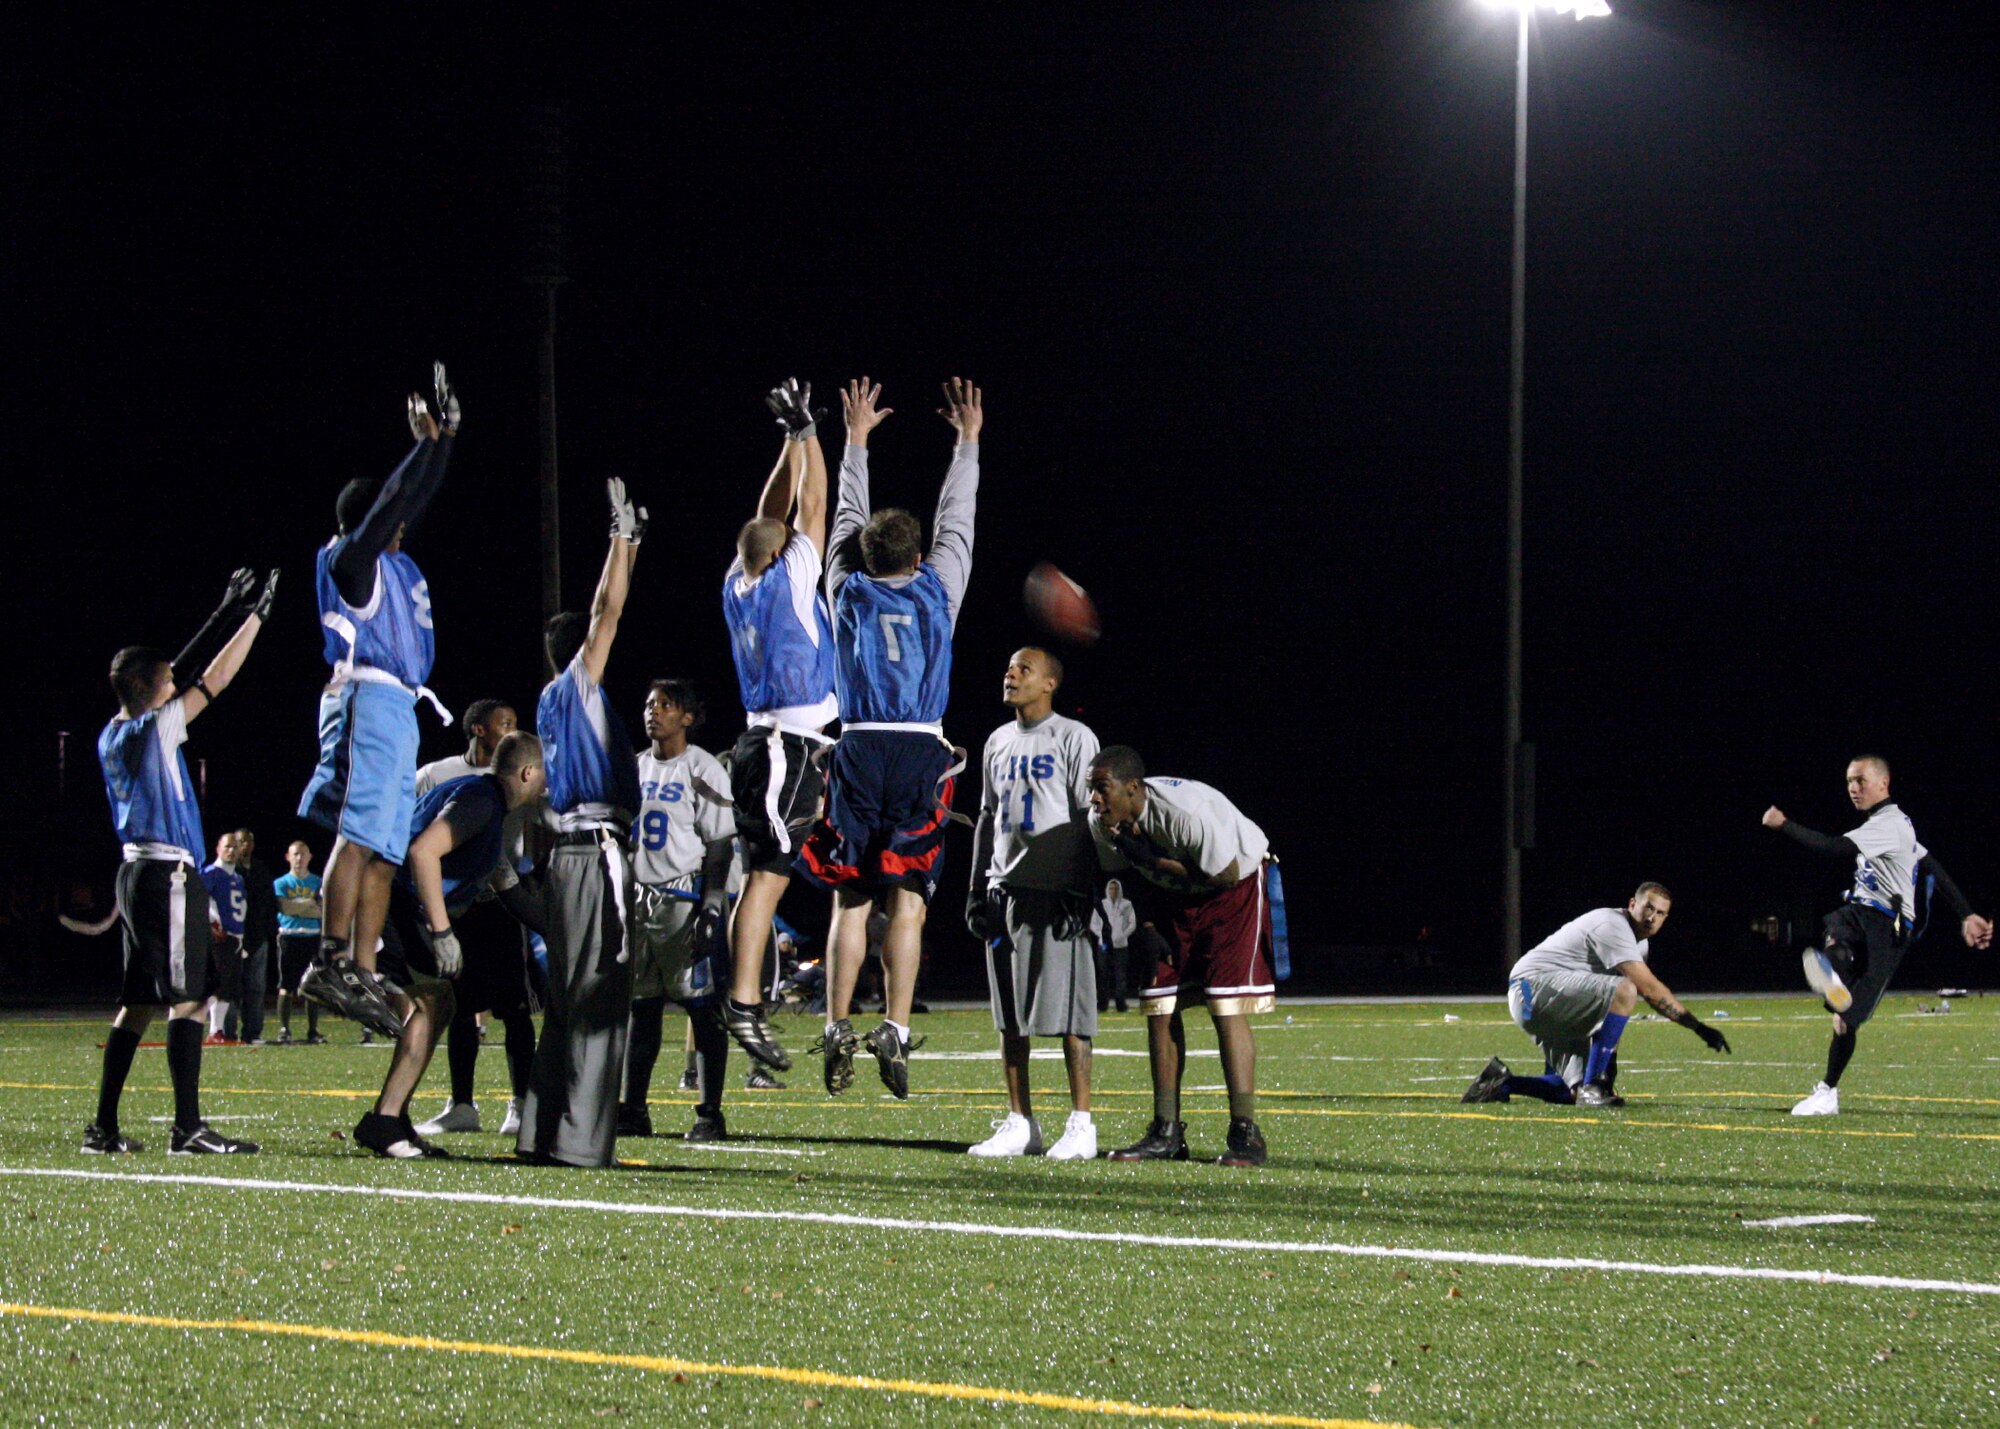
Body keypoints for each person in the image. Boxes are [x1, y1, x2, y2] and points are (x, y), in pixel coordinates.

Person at [799, 376, 983, 1099]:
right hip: (920, 751)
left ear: (866, 555)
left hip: (856, 748)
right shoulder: (939, 586)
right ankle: (896, 1028)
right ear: (918, 556)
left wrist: (855, 440)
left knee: (849, 901)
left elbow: (843, 519)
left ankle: (837, 1025)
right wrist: (966, 440)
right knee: (909, 903)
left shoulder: (844, 587)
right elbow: (957, 521)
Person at [85, 565, 276, 1155]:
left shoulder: (112, 731)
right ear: (155, 690)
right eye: (167, 683)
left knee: (137, 1004)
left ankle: (104, 1129)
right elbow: (213, 676)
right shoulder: (156, 729)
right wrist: (254, 620)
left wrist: (223, 610)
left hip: (134, 872)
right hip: (167, 872)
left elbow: (176, 671)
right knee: (189, 997)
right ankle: (187, 1128)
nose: (176, 685)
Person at [297, 367, 460, 1041]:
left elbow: (414, 499)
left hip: (398, 710)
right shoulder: (351, 562)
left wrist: (444, 438)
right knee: (358, 836)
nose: (404, 526)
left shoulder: (393, 561)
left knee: (387, 851)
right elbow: (395, 503)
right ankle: (330, 956)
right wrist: (420, 448)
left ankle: (363, 963)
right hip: (364, 697)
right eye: (390, 520)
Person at [517, 480, 646, 1168]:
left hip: (570, 856)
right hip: (593, 856)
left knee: (569, 1002)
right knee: (599, 999)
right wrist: (618, 540)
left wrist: (632, 545)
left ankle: (543, 1129)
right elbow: (607, 610)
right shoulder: (576, 685)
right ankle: (580, 1142)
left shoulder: (555, 700)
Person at [352, 732, 548, 1158]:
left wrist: (562, 933)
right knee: (431, 1003)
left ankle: (393, 1117)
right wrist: (442, 933)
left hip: (401, 904)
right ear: (528, 772)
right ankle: (384, 1121)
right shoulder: (481, 800)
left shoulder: (487, 807)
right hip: (395, 904)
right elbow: (424, 852)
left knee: (440, 1004)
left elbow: (509, 890)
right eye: (545, 773)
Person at [1761, 756, 1991, 1116]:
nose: (1853, 788)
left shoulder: (1888, 824)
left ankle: (1828, 1088)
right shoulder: (1896, 824)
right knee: (1838, 935)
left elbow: (1832, 848)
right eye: (1849, 781)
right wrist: (1966, 913)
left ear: (1884, 783)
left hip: (1889, 928)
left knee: (1844, 1020)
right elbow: (1931, 865)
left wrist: (1783, 823)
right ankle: (1834, 978)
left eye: (1861, 781)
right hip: (1860, 913)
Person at [719, 379, 836, 1074]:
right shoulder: (789, 574)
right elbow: (812, 506)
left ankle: (747, 1000)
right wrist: (810, 437)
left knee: (768, 874)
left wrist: (790, 439)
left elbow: (771, 514)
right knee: (767, 879)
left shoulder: (739, 580)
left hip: (772, 742)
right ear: (779, 551)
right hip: (785, 746)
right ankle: (744, 1004)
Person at [1086, 746, 1273, 1167]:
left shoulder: (1185, 813)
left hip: (1232, 889)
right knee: (1159, 1005)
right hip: (1169, 897)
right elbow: (1124, 876)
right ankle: (1166, 1130)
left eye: (1102, 789)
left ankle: (1246, 1132)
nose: (1095, 799)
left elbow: (1221, 875)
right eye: (1091, 790)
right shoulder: (1102, 823)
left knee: (1224, 1005)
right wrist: (1147, 929)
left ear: (1133, 789)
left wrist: (1152, 860)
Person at [964, 647, 1101, 1159]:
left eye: (1024, 668)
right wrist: (977, 887)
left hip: (1056, 893)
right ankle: (1021, 1122)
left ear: (1050, 684)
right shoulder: (997, 740)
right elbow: (985, 816)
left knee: (1070, 1013)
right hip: (1006, 892)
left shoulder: (1074, 737)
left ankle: (1082, 1123)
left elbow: (1090, 817)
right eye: (1009, 666)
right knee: (1010, 1017)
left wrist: (1081, 887)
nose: (1011, 673)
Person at [1462, 883, 1732, 1109]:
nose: (1652, 917)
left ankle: (1500, 1082)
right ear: (1632, 904)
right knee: (1628, 988)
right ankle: (1592, 1087)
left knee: (1567, 1093)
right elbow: (1648, 990)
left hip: (1552, 998)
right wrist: (1699, 1028)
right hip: (1533, 989)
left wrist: (1606, 1066)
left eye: (1660, 913)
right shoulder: (1613, 925)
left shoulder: (1640, 943)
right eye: (1648, 907)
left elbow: (1606, 1007)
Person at [410, 698, 539, 1139]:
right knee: (459, 1007)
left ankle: (521, 1103)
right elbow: (415, 838)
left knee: (514, 1008)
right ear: (479, 729)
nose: (511, 731)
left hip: (497, 900)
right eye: (504, 723)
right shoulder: (439, 776)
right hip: (450, 905)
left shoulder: (514, 780)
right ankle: (461, 1104)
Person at [621, 679, 737, 1141]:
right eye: (650, 704)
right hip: (637, 900)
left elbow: (720, 842)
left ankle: (710, 1113)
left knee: (702, 1007)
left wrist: (711, 902)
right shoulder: (633, 767)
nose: (654, 712)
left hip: (682, 897)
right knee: (641, 1008)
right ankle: (635, 1109)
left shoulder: (702, 767)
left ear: (688, 716)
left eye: (666, 705)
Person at [229, 828, 280, 1043]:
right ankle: (227, 1031)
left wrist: (271, 931)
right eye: (241, 841)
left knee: (256, 988)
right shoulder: (230, 871)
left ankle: (252, 1032)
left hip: (259, 937)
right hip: (235, 936)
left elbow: (269, 903)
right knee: (231, 987)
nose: (245, 845)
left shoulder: (260, 869)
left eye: (249, 841)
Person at [272, 840, 324, 1044]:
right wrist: (310, 904)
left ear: (310, 857)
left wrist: (298, 907)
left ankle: (313, 1030)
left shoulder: (318, 882)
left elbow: (322, 912)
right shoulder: (281, 883)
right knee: (286, 984)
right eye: (295, 854)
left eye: (303, 854)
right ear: (288, 857)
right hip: (289, 936)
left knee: (312, 985)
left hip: (312, 937)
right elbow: (285, 909)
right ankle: (284, 1029)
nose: (299, 858)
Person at [199, 832, 246, 1044]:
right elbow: (200, 900)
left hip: (235, 936)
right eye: (227, 846)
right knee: (217, 984)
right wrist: (211, 923)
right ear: (218, 848)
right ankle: (214, 1029)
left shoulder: (238, 878)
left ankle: (217, 1030)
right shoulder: (210, 873)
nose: (231, 851)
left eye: (235, 847)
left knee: (230, 986)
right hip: (219, 936)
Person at [1095, 878, 1137, 1014]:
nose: (1113, 891)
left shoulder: (1127, 904)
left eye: (1116, 889)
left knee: (1120, 976)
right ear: (1108, 890)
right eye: (1111, 889)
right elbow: (1093, 923)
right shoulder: (1102, 904)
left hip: (1121, 946)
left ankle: (1121, 1004)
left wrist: (1122, 935)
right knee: (1103, 975)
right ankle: (1102, 1004)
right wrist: (1102, 936)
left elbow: (1132, 923)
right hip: (1105, 946)